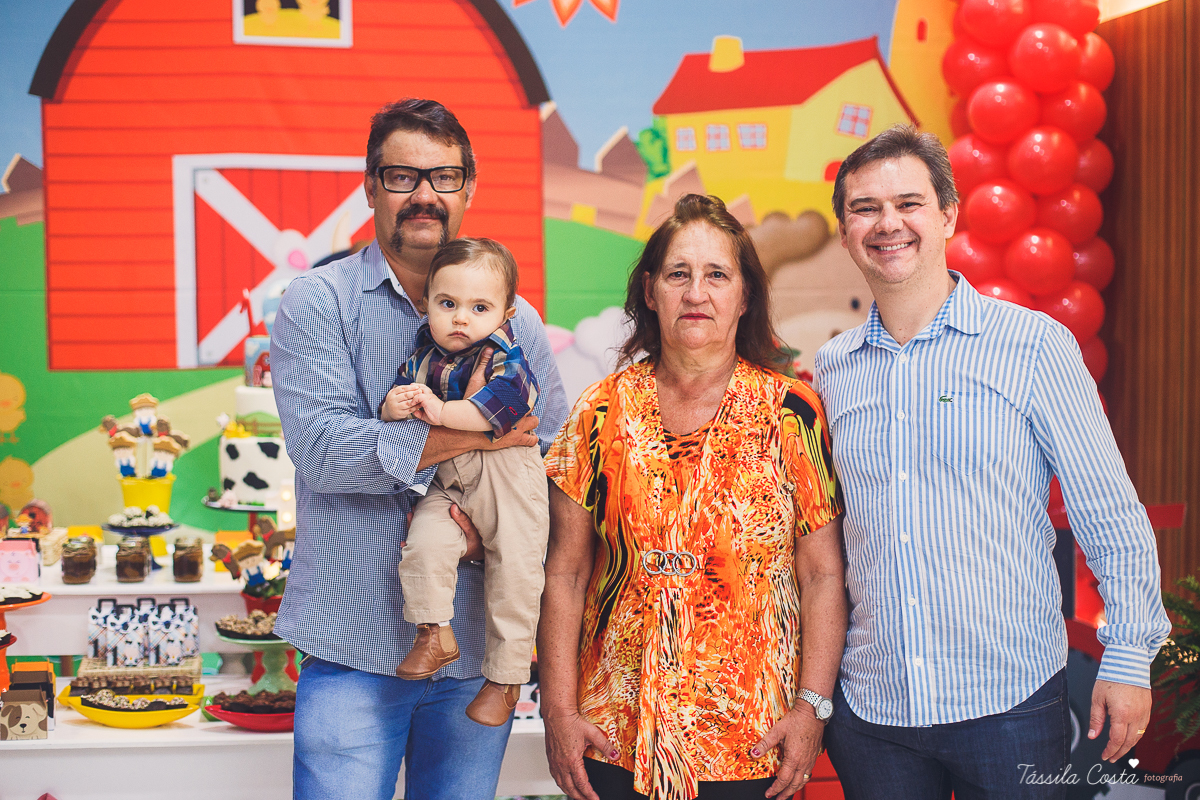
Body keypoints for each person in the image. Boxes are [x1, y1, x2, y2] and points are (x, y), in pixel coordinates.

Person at [814, 125, 1171, 798]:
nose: (887, 223)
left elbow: (1110, 514)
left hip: (1009, 705)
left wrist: (1128, 658)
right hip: (874, 711)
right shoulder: (834, 369)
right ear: (844, 233)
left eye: (908, 203)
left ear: (948, 214)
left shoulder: (1034, 346)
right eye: (865, 208)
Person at [271, 98, 568, 800]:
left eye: (444, 176)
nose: (425, 194)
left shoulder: (513, 314)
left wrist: (484, 522)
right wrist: (477, 430)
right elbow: (324, 453)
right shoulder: (320, 302)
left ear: (469, 189)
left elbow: (551, 445)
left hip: (472, 650)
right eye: (403, 176)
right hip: (352, 645)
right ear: (371, 186)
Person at [538, 194, 846, 800]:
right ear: (651, 291)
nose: (696, 293)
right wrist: (559, 711)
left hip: (754, 743)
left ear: (745, 295)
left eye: (717, 275)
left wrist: (812, 708)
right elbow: (566, 573)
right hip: (616, 737)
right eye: (679, 274)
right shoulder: (599, 413)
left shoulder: (791, 414)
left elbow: (822, 574)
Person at [381, 237, 549, 727]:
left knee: (514, 572)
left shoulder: (505, 358)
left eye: (479, 308)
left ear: (505, 313)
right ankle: (433, 631)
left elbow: (501, 407)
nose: (460, 319)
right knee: (424, 543)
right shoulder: (424, 353)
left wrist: (441, 412)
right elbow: (400, 399)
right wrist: (393, 405)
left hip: (506, 477)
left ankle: (505, 678)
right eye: (447, 304)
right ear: (427, 301)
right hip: (447, 479)